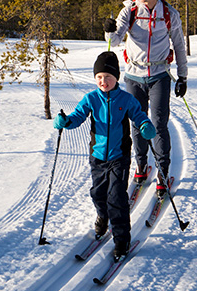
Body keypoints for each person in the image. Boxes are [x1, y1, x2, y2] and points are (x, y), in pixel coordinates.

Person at [54, 51, 156, 260]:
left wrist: (145, 125)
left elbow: (138, 115)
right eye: (99, 77)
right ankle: (102, 216)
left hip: (119, 156)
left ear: (116, 77)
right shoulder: (91, 98)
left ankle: (121, 239)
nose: (103, 81)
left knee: (116, 198)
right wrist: (65, 121)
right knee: (98, 194)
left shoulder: (126, 99)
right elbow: (77, 116)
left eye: (108, 77)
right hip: (97, 156)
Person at [103, 0, 188, 198]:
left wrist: (183, 76)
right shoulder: (129, 11)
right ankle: (141, 166)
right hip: (133, 76)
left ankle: (162, 171)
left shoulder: (169, 14)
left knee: (159, 124)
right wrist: (109, 30)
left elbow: (179, 46)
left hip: (159, 76)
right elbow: (116, 38)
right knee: (137, 125)